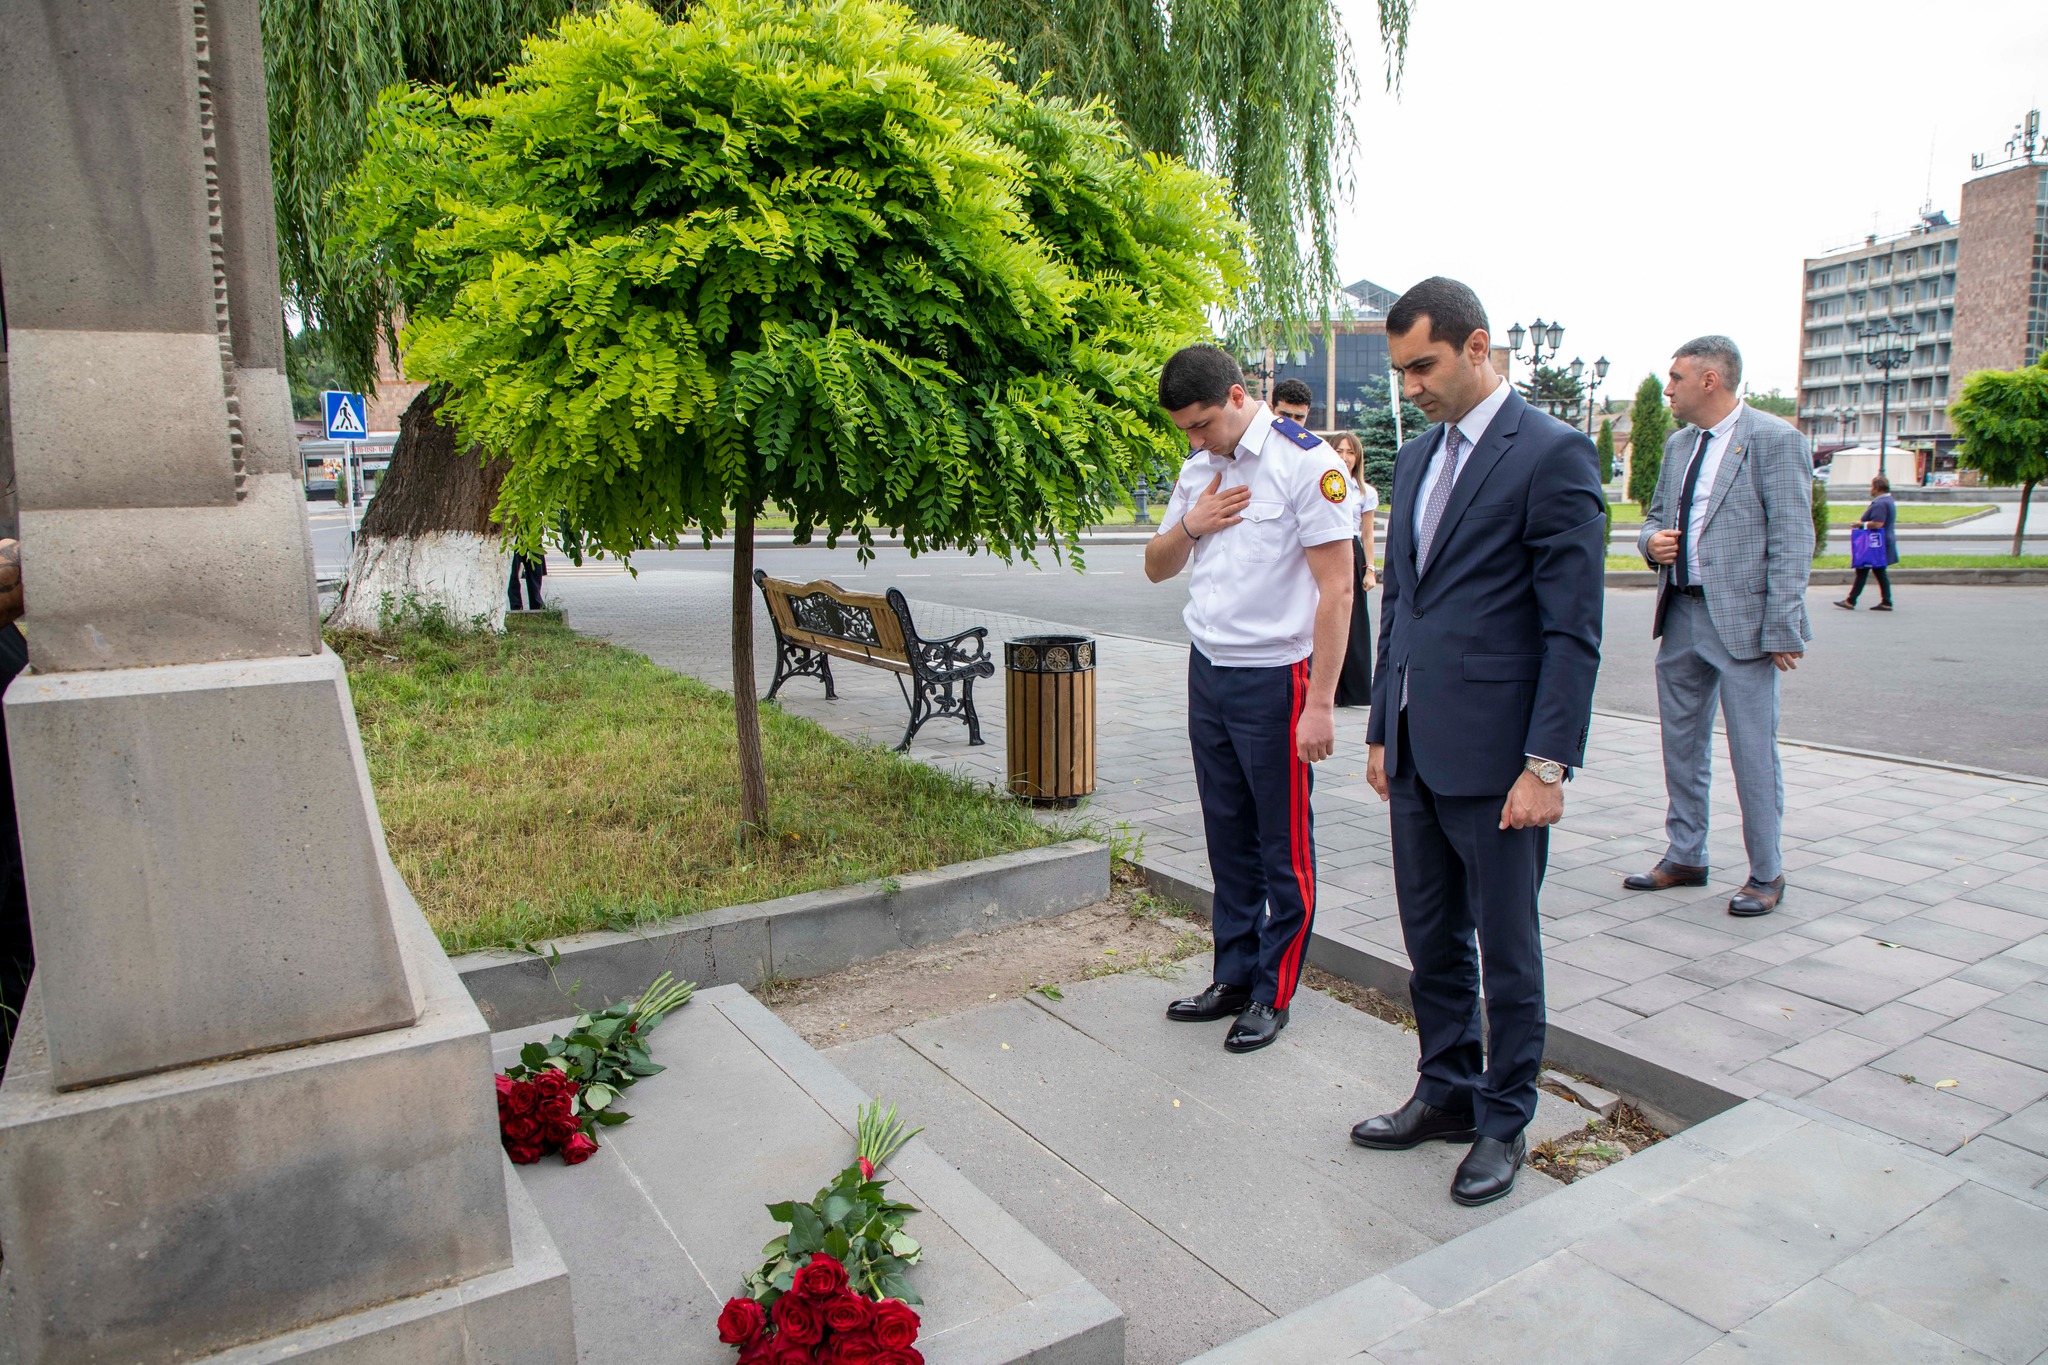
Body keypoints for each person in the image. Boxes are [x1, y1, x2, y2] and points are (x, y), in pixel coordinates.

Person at [1349, 278, 1605, 1208]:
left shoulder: (1551, 454)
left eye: (1423, 365)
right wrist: (1383, 728)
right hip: (1417, 750)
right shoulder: (1418, 458)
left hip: (1502, 763)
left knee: (1507, 948)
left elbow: (1572, 629)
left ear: (1478, 347)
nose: (1410, 386)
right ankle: (1447, 1089)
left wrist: (1546, 765)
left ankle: (1504, 1120)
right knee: (1431, 938)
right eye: (1400, 371)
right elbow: (1402, 604)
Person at [1145, 345, 1356, 1054]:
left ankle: (1274, 990)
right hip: (1208, 671)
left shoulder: (1307, 463)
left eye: (1202, 424)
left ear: (1239, 397)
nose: (1196, 440)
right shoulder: (1199, 468)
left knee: (1282, 845)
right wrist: (1192, 524)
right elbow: (1156, 565)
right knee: (1227, 834)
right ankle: (1233, 977)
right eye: (1185, 430)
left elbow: (1338, 591)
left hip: (1275, 678)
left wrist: (1320, 703)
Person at [1623, 336, 1813, 918]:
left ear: (1710, 380)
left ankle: (1766, 872)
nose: (1668, 389)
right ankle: (1686, 855)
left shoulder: (1775, 439)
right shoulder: (1680, 445)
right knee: (1681, 745)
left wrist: (1782, 626)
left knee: (1753, 752)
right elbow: (1655, 517)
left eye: (1676, 378)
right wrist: (1650, 544)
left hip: (1744, 625)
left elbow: (1793, 538)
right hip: (1680, 613)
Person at [1329, 431, 1379, 707]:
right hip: (1325, 547)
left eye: (1350, 452)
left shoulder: (1364, 492)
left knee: (1352, 620)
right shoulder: (1321, 483)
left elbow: (1367, 534)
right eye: (1339, 451)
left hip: (1351, 550)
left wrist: (1370, 569)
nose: (1345, 457)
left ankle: (1351, 690)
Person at [1835, 475, 1897, 612]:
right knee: (1876, 572)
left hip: (1875, 544)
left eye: (1872, 486)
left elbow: (1878, 523)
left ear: (1877, 488)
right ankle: (1885, 601)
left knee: (1864, 570)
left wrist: (1860, 524)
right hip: (1880, 543)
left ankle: (1851, 601)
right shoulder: (1888, 500)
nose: (1871, 490)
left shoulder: (1880, 503)